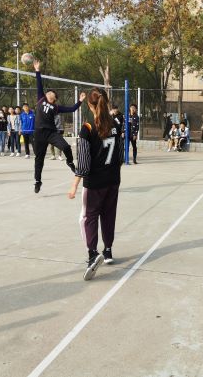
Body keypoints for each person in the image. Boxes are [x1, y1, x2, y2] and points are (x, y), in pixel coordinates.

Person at [68, 87, 123, 281]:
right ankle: (108, 250)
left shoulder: (88, 127)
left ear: (89, 105)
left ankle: (92, 254)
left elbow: (83, 163)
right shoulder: (116, 124)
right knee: (109, 215)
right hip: (113, 179)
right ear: (106, 102)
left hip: (95, 182)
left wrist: (74, 185)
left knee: (88, 217)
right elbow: (120, 155)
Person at [33, 60, 85, 193]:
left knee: (66, 147)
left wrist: (80, 101)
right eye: (47, 91)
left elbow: (72, 109)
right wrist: (37, 70)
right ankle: (38, 181)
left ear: (54, 97)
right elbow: (39, 84)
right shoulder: (41, 98)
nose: (47, 92)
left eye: (50, 92)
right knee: (39, 159)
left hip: (51, 133)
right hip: (39, 133)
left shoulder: (56, 107)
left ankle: (70, 162)